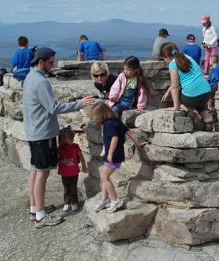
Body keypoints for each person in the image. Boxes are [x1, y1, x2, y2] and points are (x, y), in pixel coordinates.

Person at [23, 47, 95, 228]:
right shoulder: (40, 82)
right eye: (50, 62)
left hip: (33, 132)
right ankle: (40, 215)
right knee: (42, 172)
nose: (52, 66)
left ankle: (34, 208)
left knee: (34, 169)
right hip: (43, 134)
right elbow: (54, 108)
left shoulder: (29, 78)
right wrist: (80, 103)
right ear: (41, 61)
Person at [91, 102, 148, 213]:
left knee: (104, 177)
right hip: (115, 154)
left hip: (114, 155)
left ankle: (115, 200)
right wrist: (137, 143)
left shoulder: (109, 124)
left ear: (101, 114)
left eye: (95, 117)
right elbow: (128, 132)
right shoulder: (116, 121)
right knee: (104, 176)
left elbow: (115, 138)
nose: (94, 119)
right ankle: (104, 200)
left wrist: (110, 154)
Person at [160, 42, 213, 124]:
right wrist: (168, 91)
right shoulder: (187, 57)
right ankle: (207, 117)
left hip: (192, 97)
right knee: (197, 96)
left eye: (163, 58)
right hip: (206, 93)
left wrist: (175, 107)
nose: (164, 61)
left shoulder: (172, 64)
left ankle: (189, 113)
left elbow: (175, 87)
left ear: (166, 56)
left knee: (178, 95)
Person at [57, 126, 88, 212]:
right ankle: (67, 203)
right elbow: (57, 161)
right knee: (66, 188)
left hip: (74, 172)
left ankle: (74, 202)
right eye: (70, 139)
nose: (72, 140)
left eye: (72, 138)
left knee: (73, 188)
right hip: (64, 173)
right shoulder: (60, 149)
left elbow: (81, 157)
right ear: (63, 139)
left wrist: (84, 166)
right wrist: (63, 161)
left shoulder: (75, 147)